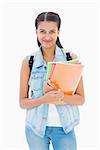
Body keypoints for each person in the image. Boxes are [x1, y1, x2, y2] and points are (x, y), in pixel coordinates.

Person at [19, 12, 85, 150]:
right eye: (42, 31)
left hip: (64, 129)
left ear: (58, 32)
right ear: (36, 32)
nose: (47, 37)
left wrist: (61, 96)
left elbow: (80, 99)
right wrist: (44, 99)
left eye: (52, 32)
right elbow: (23, 102)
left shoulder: (70, 58)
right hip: (36, 129)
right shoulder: (28, 62)